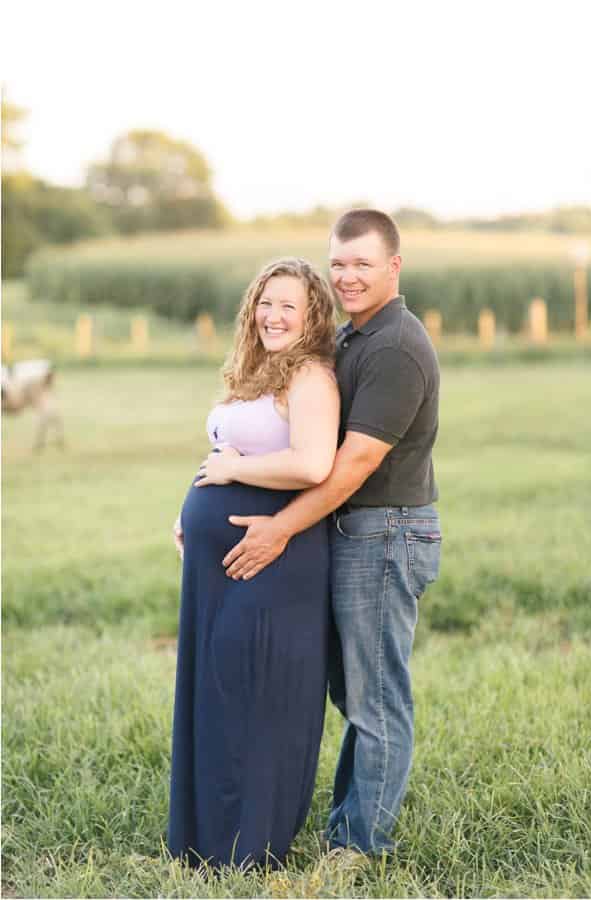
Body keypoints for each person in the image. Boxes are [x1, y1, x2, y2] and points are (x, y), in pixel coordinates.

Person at [220, 209, 441, 857]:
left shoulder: (397, 347)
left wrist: (278, 530)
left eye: (362, 264)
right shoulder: (353, 338)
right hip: (352, 531)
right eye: (338, 263)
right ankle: (355, 813)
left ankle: (358, 845)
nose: (346, 276)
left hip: (386, 533)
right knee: (355, 688)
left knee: (377, 698)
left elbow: (354, 464)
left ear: (394, 267)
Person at [168, 257, 340, 868]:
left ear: (312, 315)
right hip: (220, 560)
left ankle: (251, 844)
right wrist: (189, 511)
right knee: (213, 688)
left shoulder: (311, 377)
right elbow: (226, 448)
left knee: (258, 693)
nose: (274, 315)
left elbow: (313, 464)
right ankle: (204, 836)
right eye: (266, 303)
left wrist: (233, 472)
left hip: (276, 558)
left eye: (288, 305)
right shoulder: (256, 371)